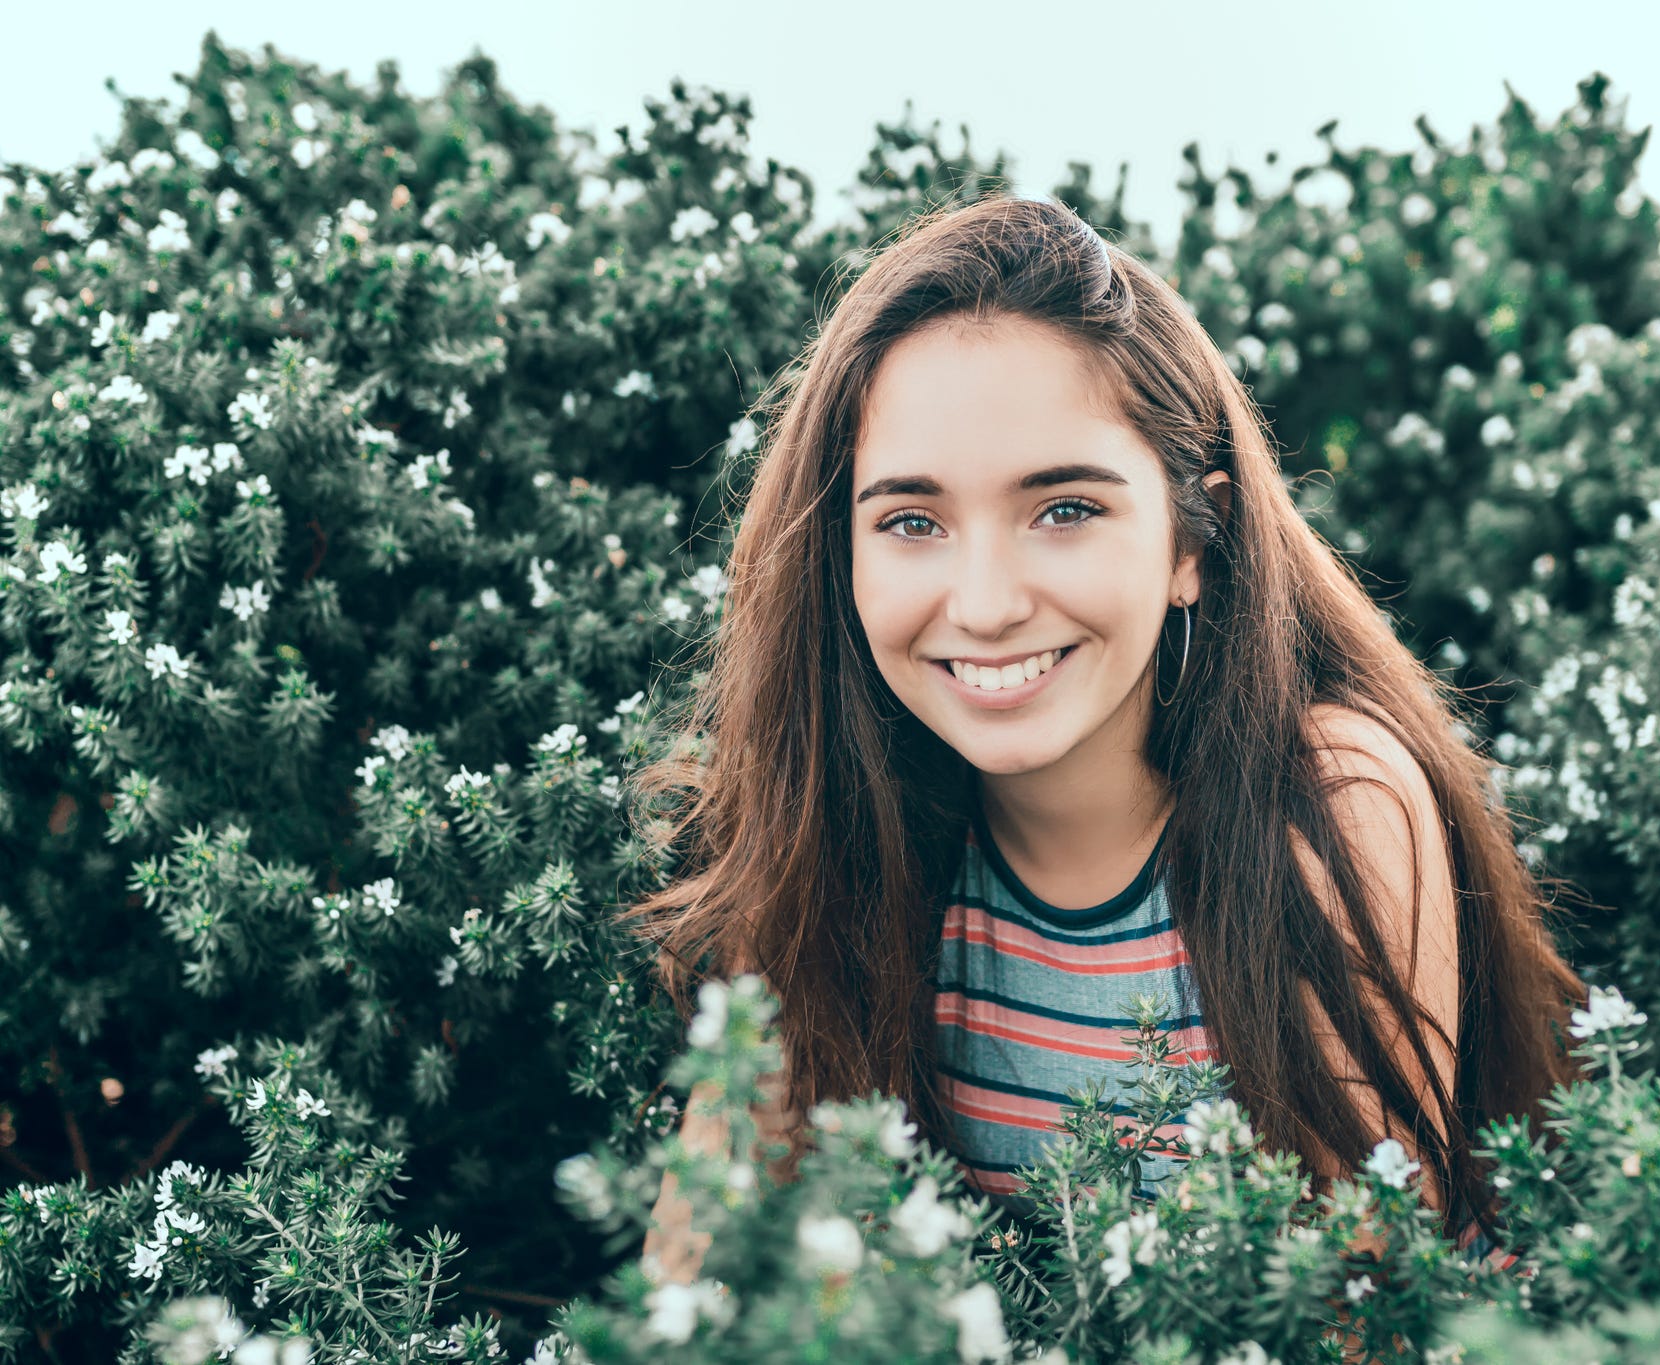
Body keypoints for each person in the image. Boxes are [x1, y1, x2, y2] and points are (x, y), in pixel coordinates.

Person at [617, 193, 1584, 1300]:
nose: (982, 606)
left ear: (1191, 540)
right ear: (839, 554)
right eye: (910, 521)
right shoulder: (834, 817)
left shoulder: (1332, 803)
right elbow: (689, 1278)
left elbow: (1343, 1317)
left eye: (1063, 509)